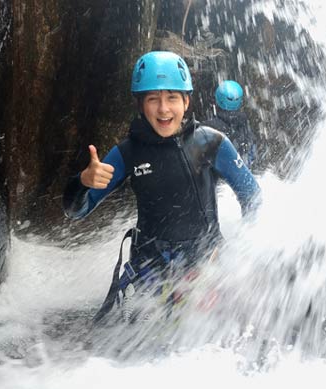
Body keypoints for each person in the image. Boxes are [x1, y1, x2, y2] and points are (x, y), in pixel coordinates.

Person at [63, 51, 261, 322]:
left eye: (172, 98)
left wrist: (247, 254)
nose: (164, 109)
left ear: (186, 101)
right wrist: (82, 182)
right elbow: (75, 211)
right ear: (141, 105)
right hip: (150, 273)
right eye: (153, 99)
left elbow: (252, 197)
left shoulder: (211, 142)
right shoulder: (127, 154)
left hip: (207, 265)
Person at [202, 80, 258, 169]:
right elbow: (252, 156)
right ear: (240, 102)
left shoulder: (206, 129)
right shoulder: (246, 130)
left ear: (217, 100)